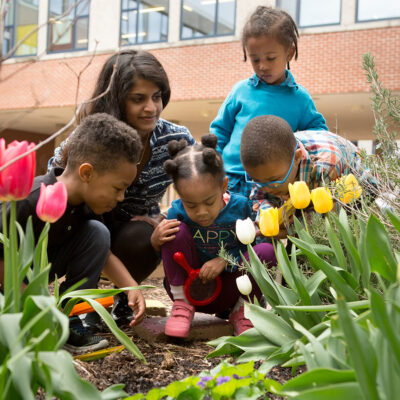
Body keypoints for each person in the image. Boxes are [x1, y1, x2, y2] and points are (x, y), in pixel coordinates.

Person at [49, 50, 195, 324]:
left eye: (157, 96)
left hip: (135, 233)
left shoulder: (176, 140)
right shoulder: (92, 136)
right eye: (138, 99)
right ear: (117, 99)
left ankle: (123, 299)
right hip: (85, 225)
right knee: (94, 230)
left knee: (150, 232)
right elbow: (55, 179)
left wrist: (164, 217)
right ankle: (81, 309)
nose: (151, 107)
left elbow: (200, 183)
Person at [1, 113, 144, 354]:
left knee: (97, 233)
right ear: (86, 173)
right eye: (118, 188)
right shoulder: (29, 199)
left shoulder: (86, 204)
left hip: (39, 273)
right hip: (7, 283)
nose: (120, 198)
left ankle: (70, 321)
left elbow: (102, 252)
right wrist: (36, 307)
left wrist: (130, 286)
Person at [160, 134, 277, 338]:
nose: (201, 212)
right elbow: (171, 252)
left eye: (208, 202)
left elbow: (252, 247)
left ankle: (244, 312)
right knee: (172, 231)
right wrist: (156, 240)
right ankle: (181, 308)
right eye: (191, 205)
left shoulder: (240, 207)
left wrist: (225, 260)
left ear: (223, 186)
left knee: (267, 251)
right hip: (191, 289)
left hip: (233, 290)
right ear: (179, 194)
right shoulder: (177, 213)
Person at [210, 6, 327, 199]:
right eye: (255, 60)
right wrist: (214, 166)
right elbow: (219, 131)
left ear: (290, 52)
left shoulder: (300, 99)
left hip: (274, 185)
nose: (262, 66)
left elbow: (318, 136)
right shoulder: (240, 91)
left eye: (271, 58)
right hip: (231, 179)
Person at [240, 115, 374, 237]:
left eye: (273, 181)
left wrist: (290, 231)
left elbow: (327, 221)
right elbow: (260, 196)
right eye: (257, 180)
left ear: (297, 157)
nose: (266, 188)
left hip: (361, 194)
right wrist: (268, 216)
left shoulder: (326, 167)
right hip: (308, 185)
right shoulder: (268, 171)